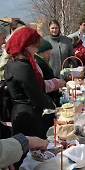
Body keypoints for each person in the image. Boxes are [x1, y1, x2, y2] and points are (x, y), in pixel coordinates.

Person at [4, 27, 57, 168]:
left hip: (22, 113)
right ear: (26, 46)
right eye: (35, 47)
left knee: (27, 154)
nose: (36, 50)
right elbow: (35, 94)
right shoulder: (22, 66)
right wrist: (54, 107)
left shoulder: (13, 63)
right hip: (29, 116)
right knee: (32, 157)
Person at [35, 40, 64, 107]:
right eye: (47, 54)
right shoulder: (40, 63)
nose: (49, 56)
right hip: (49, 93)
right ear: (40, 52)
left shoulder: (42, 60)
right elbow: (47, 77)